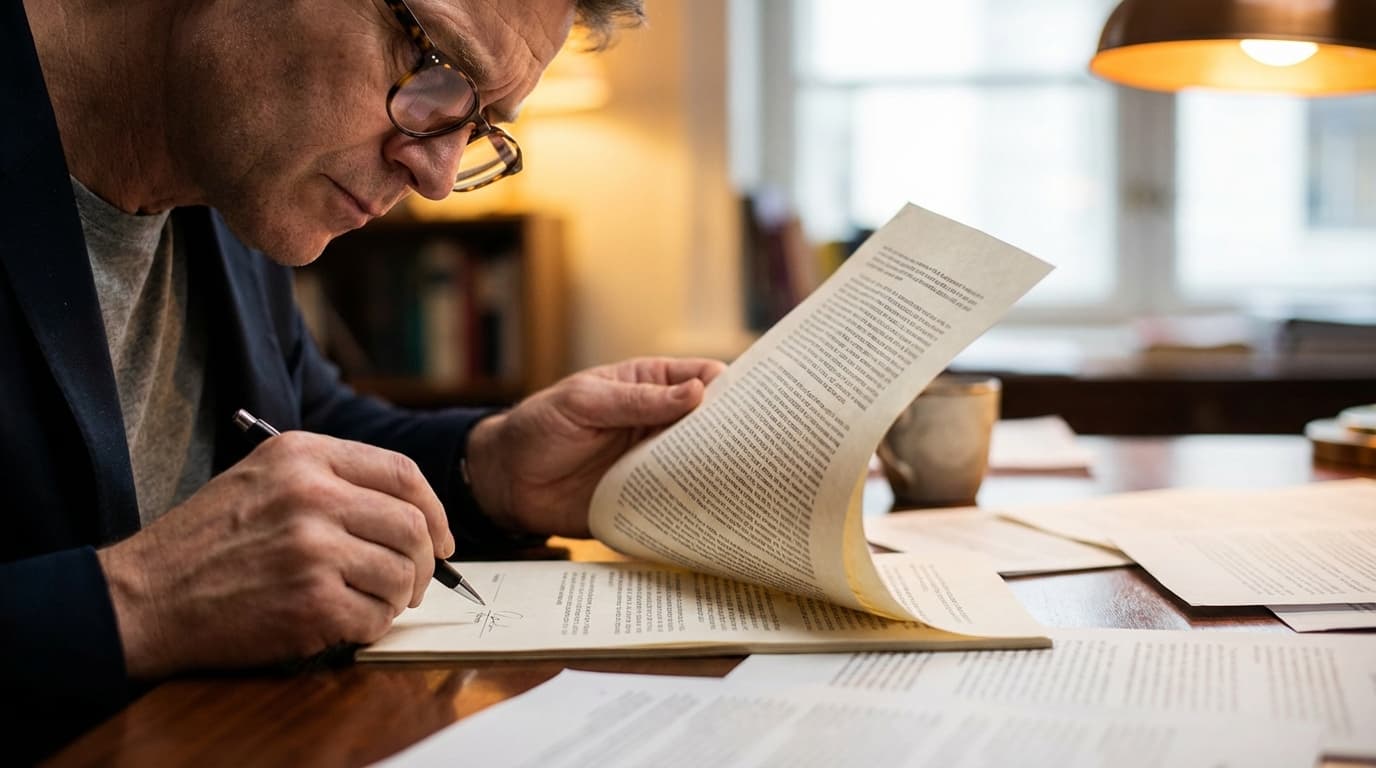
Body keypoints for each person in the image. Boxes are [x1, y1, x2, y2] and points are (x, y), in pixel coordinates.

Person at [1, 0, 722, 761]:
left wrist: (493, 467)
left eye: (478, 127)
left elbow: (295, 423)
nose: (438, 176)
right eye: (433, 68)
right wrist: (135, 602)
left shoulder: (225, 158)